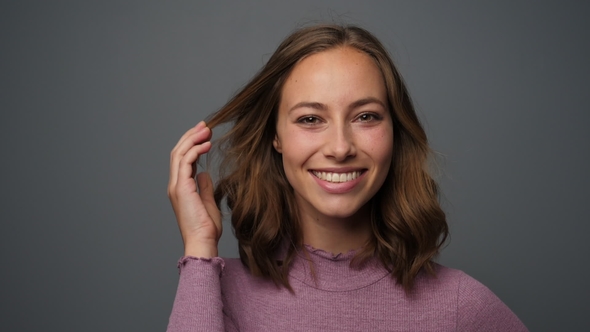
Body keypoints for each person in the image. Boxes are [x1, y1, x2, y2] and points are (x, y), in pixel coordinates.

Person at [166, 24, 528, 331]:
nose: (340, 148)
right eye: (310, 119)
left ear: (395, 132)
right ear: (275, 136)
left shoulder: (461, 308)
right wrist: (198, 248)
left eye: (366, 117)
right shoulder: (215, 293)